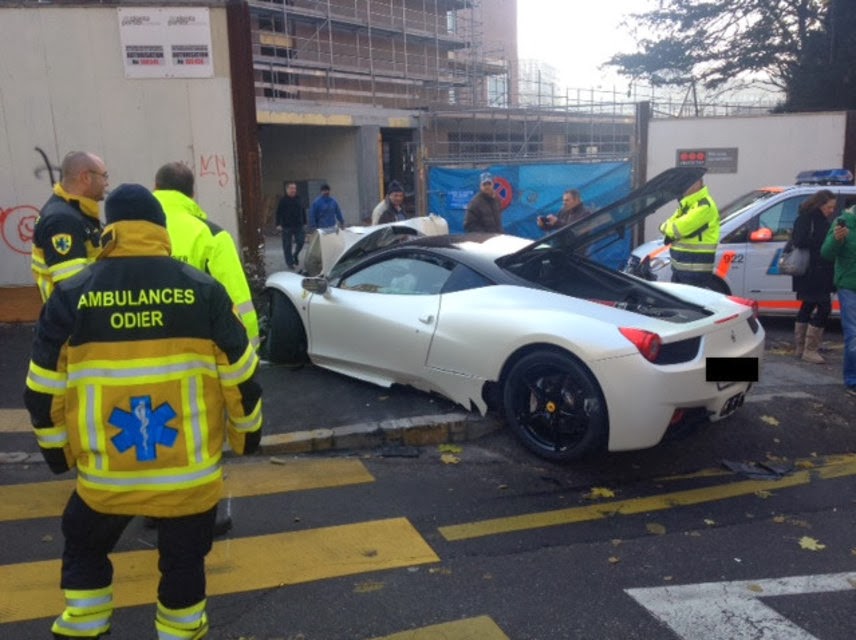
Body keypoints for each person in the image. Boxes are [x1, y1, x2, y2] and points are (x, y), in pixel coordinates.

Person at [23, 184, 263, 640]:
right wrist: (247, 437)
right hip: (188, 481)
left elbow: (41, 391)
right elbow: (241, 377)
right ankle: (180, 633)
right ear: (161, 230)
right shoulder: (203, 291)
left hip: (105, 480)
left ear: (109, 229)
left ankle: (85, 626)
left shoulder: (72, 294)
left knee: (84, 549)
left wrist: (59, 456)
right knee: (183, 566)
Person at [153, 162, 260, 351]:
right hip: (195, 352)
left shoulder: (122, 234)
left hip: (133, 356)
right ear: (192, 194)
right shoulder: (212, 236)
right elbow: (238, 301)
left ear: (155, 188)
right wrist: (250, 352)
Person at [31, 151, 109, 302]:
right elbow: (73, 287)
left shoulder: (76, 211)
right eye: (104, 176)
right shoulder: (62, 220)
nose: (107, 183)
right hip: (73, 321)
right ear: (85, 177)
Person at [791, 189, 837, 363]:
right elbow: (799, 240)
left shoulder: (816, 218)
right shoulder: (807, 218)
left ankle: (801, 347)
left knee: (808, 305)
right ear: (820, 204)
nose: (832, 210)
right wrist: (824, 242)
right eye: (830, 206)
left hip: (818, 271)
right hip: (812, 272)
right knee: (824, 308)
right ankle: (809, 349)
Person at [659, 177, 720, 288]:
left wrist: (665, 227)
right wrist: (666, 227)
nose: (687, 186)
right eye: (686, 183)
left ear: (699, 183)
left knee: (690, 303)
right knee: (677, 302)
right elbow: (670, 223)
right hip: (682, 267)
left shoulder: (704, 206)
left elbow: (676, 229)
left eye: (691, 182)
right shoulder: (688, 204)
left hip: (694, 270)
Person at [821, 205, 856, 395]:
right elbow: (826, 253)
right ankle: (852, 380)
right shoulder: (843, 222)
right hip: (850, 286)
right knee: (854, 336)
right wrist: (837, 239)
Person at [275, 181, 307, 268]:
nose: (293, 190)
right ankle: (290, 263)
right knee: (287, 245)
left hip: (298, 225)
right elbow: (278, 213)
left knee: (301, 242)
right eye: (291, 188)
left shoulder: (299, 199)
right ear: (287, 190)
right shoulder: (283, 200)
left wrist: (305, 222)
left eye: (294, 188)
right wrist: (278, 224)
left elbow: (303, 211)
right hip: (286, 226)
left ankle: (295, 255)